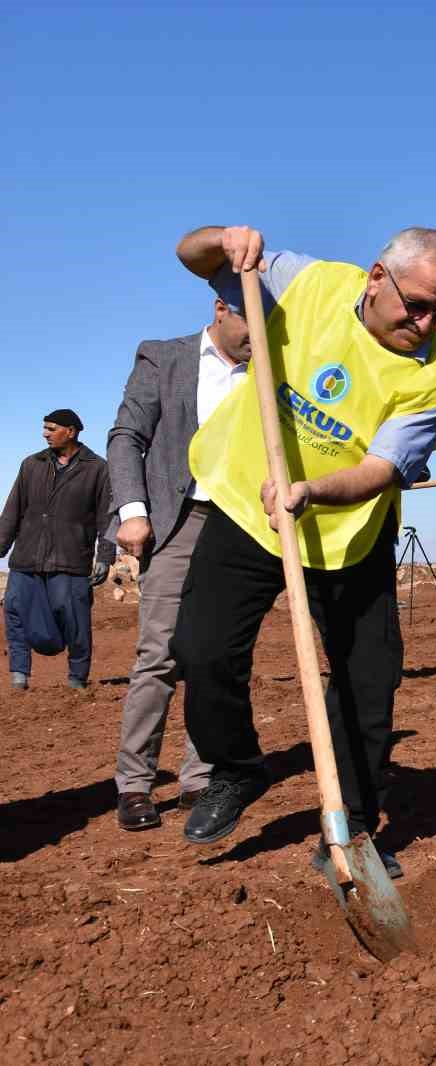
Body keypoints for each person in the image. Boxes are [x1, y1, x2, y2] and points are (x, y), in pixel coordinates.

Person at [168, 225, 436, 876]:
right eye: (415, 304)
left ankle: (352, 829)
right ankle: (237, 768)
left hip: (347, 535)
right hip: (249, 505)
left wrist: (311, 490)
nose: (425, 322)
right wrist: (224, 238)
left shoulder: (431, 381)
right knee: (201, 648)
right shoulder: (309, 283)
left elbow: (383, 470)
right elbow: (192, 257)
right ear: (376, 276)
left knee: (370, 678)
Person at [104, 296, 253, 831]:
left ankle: (201, 777)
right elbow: (126, 437)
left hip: (241, 524)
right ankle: (136, 784)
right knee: (161, 654)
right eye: (250, 321)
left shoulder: (269, 371)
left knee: (214, 654)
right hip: (177, 519)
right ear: (220, 308)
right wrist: (134, 511)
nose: (259, 335)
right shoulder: (163, 358)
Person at [0, 410, 114, 691]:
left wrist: (105, 557)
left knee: (75, 621)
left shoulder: (97, 469)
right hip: (27, 558)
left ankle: (76, 680)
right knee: (14, 610)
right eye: (45, 428)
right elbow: (12, 512)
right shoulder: (31, 464)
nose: (45, 433)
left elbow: (108, 517)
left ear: (71, 431)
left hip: (71, 560)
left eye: (51, 428)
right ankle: (19, 676)